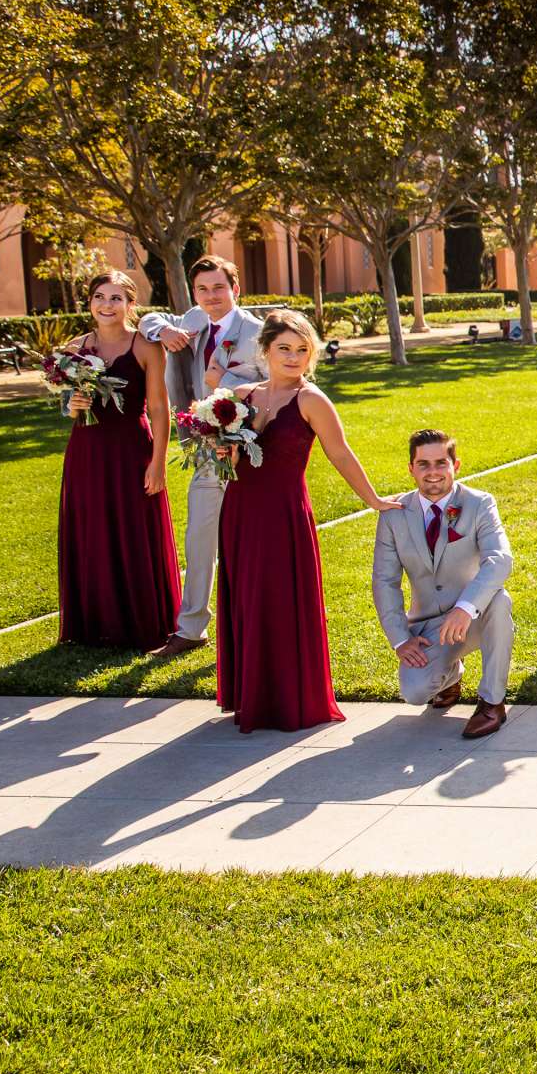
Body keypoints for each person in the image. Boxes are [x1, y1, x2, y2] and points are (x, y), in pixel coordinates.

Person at [215, 311, 399, 733]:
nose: (293, 357)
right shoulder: (240, 396)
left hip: (283, 514)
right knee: (247, 597)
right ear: (265, 351)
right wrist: (222, 452)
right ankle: (251, 693)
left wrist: (372, 499)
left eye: (302, 350)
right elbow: (223, 453)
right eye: (284, 348)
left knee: (279, 600)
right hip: (240, 511)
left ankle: (287, 697)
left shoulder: (311, 400)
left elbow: (339, 453)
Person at [141, 255, 264, 657]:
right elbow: (148, 320)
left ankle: (256, 628)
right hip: (205, 452)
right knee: (198, 539)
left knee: (252, 546)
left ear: (236, 289)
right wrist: (165, 330)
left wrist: (224, 381)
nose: (211, 297)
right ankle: (191, 628)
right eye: (203, 289)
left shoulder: (257, 333)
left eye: (219, 288)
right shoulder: (192, 321)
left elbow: (282, 384)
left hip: (250, 454)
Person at [56, 270, 179, 651]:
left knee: (133, 530)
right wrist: (71, 405)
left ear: (130, 304)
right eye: (99, 297)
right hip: (88, 449)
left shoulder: (144, 346)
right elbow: (68, 403)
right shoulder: (74, 348)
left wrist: (158, 461)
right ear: (89, 302)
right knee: (92, 528)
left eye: (115, 298)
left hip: (131, 449)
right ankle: (94, 624)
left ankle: (141, 622)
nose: (106, 305)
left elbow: (160, 408)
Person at [372, 429, 513, 739]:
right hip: (427, 627)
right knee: (415, 692)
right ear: (410, 468)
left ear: (455, 465)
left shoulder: (479, 503)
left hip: (474, 615)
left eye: (441, 463)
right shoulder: (393, 514)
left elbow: (500, 559)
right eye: (423, 464)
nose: (432, 472)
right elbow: (385, 581)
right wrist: (400, 640)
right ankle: (450, 677)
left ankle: (492, 702)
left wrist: (465, 607)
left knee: (500, 600)